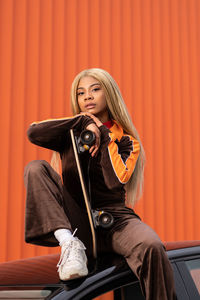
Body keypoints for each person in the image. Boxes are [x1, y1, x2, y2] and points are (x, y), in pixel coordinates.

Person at [24, 68, 177, 299]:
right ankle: (69, 243)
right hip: (77, 220)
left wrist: (103, 136)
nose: (88, 96)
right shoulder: (71, 132)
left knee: (152, 246)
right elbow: (34, 132)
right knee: (35, 167)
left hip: (116, 221)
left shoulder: (127, 142)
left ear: (109, 95)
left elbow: (116, 180)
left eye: (95, 89)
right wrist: (85, 121)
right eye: (81, 92)